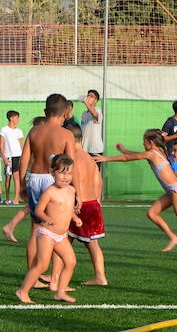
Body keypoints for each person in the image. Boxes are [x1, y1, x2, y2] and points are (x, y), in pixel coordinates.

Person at [97, 130, 177, 257]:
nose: (143, 144)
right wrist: (124, 150)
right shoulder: (157, 152)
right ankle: (173, 237)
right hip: (173, 191)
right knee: (152, 213)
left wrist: (106, 158)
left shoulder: (152, 154)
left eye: (144, 142)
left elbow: (127, 158)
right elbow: (137, 155)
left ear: (151, 142)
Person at [8, 97, 77, 272]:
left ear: (45, 112)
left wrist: (22, 183)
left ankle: (33, 273)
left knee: (36, 230)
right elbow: (70, 164)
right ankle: (54, 279)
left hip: (34, 178)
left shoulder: (34, 131)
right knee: (57, 230)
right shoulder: (66, 134)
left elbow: (24, 159)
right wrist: (75, 191)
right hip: (53, 181)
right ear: (65, 114)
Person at [15, 154, 80, 304]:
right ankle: (22, 291)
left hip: (61, 235)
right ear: (52, 172)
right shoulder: (50, 192)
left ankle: (60, 292)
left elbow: (68, 208)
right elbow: (38, 211)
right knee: (42, 265)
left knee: (70, 262)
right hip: (47, 233)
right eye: (61, 172)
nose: (66, 177)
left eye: (69, 173)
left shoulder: (71, 190)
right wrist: (47, 218)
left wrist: (75, 218)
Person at [65, 120, 108, 287]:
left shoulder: (71, 158)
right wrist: (97, 199)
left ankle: (55, 277)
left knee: (61, 239)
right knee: (89, 243)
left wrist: (77, 198)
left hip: (79, 205)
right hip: (92, 203)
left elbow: (73, 179)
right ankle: (100, 276)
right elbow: (98, 181)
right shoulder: (89, 158)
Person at [0, 110, 24, 204]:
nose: (18, 120)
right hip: (8, 157)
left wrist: (22, 157)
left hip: (17, 156)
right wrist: (4, 157)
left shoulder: (19, 131)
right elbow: (1, 145)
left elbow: (21, 145)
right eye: (17, 118)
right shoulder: (3, 130)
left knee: (16, 178)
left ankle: (16, 198)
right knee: (8, 178)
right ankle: (7, 198)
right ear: (11, 118)